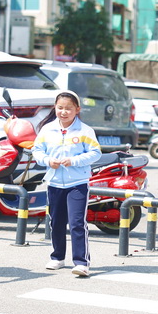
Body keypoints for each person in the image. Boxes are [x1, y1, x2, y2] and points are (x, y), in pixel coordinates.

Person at [33, 91, 102, 277]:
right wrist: (48, 160)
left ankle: (81, 262)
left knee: (77, 222)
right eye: (60, 108)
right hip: (55, 182)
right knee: (56, 221)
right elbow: (37, 151)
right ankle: (57, 257)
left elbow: (95, 153)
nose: (64, 112)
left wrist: (74, 160)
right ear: (55, 108)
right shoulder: (47, 129)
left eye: (68, 108)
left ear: (77, 110)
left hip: (77, 183)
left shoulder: (85, 131)